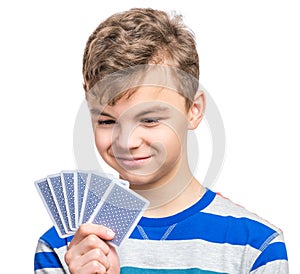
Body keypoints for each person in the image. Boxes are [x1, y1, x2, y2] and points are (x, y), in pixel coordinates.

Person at [34, 8, 288, 273]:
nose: (127, 141)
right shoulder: (64, 248)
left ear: (194, 110)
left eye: (149, 118)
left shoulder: (256, 247)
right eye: (107, 121)